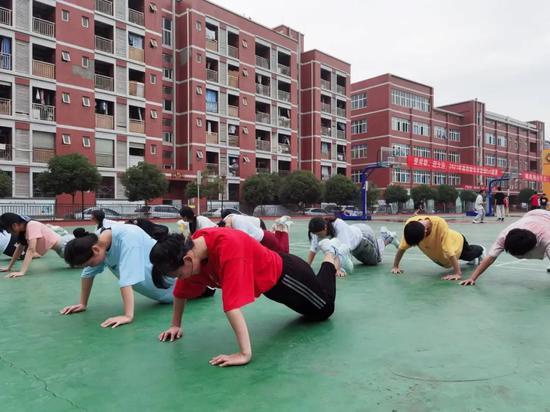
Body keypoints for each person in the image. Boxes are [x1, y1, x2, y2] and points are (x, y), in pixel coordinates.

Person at [150, 227, 338, 367]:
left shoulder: (228, 249)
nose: (181, 279)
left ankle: (330, 254)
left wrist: (244, 354)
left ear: (188, 260)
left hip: (288, 278)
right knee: (313, 310)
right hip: (271, 286)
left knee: (325, 310)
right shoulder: (192, 251)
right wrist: (175, 325)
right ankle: (329, 259)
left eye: (179, 275)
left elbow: (231, 306)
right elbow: (181, 291)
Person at [61, 224, 180, 328]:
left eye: (90, 263)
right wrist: (82, 303)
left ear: (95, 250)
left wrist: (128, 316)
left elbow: (126, 280)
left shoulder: (128, 238)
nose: (91, 266)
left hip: (177, 288)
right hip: (164, 296)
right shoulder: (98, 241)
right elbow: (87, 274)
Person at [460, 209, 550, 285]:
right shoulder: (504, 237)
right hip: (532, 215)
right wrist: (472, 278)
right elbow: (490, 258)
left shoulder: (546, 237)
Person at [392, 215, 485, 281]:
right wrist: (395, 266)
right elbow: (402, 248)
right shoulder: (411, 226)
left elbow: (450, 252)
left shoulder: (439, 224)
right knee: (450, 260)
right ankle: (473, 259)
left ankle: (481, 249)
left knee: (469, 255)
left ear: (425, 231)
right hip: (444, 256)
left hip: (457, 244)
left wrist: (458, 273)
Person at [307, 217, 399, 276]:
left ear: (325, 228)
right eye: (315, 234)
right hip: (353, 240)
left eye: (319, 234)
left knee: (376, 260)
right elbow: (313, 250)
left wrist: (338, 269)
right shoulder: (317, 232)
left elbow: (343, 250)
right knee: (367, 262)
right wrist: (307, 266)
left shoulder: (339, 225)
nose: (317, 236)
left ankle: (388, 237)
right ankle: (384, 238)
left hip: (364, 236)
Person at [0, 213, 74, 278]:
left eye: (8, 230)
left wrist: (22, 272)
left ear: (15, 225)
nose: (9, 233)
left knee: (83, 264)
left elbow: (31, 250)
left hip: (67, 245)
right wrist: (9, 267)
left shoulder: (31, 225)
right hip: (63, 250)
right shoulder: (23, 232)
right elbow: (19, 248)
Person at [220, 212, 291, 254]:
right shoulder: (228, 219)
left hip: (265, 239)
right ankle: (279, 225)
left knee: (283, 253)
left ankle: (285, 227)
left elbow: (244, 243)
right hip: (262, 234)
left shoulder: (238, 223)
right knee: (278, 247)